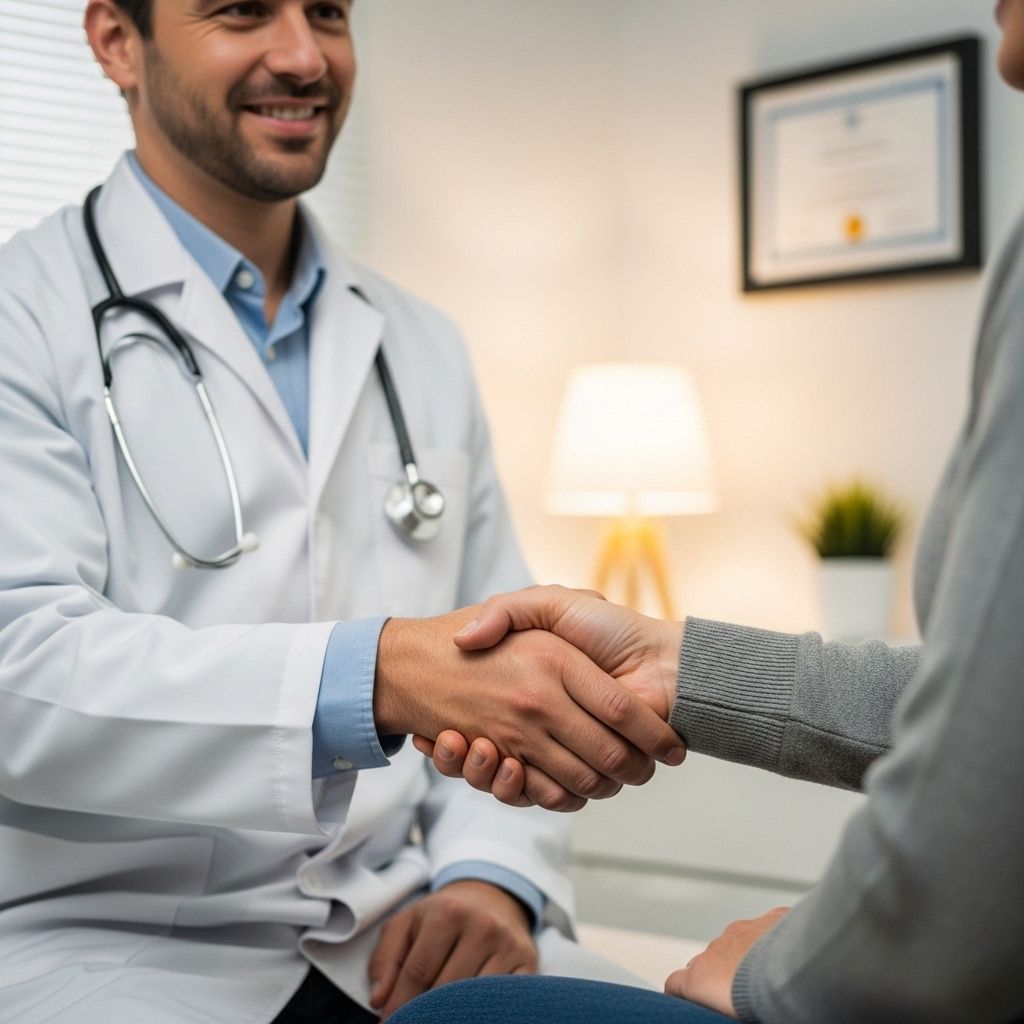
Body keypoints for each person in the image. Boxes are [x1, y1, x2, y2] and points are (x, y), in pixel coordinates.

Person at [0, 2, 686, 1022]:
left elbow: (501, 656)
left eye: (327, 12)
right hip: (117, 948)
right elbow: (22, 669)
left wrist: (492, 880)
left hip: (398, 926)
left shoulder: (420, 342)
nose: (302, 55)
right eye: (241, 11)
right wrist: (375, 676)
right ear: (115, 43)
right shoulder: (23, 314)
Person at [391, 5, 1024, 1022]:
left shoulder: (413, 341)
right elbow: (993, 707)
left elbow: (974, 831)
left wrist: (776, 972)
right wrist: (679, 665)